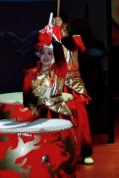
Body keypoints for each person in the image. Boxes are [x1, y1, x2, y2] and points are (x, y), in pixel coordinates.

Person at [24, 34, 94, 165]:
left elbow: (68, 57)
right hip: (44, 105)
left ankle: (80, 153)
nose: (45, 56)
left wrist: (59, 42)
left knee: (77, 124)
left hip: (65, 101)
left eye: (49, 53)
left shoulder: (61, 66)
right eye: (42, 53)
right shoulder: (33, 71)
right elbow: (28, 93)